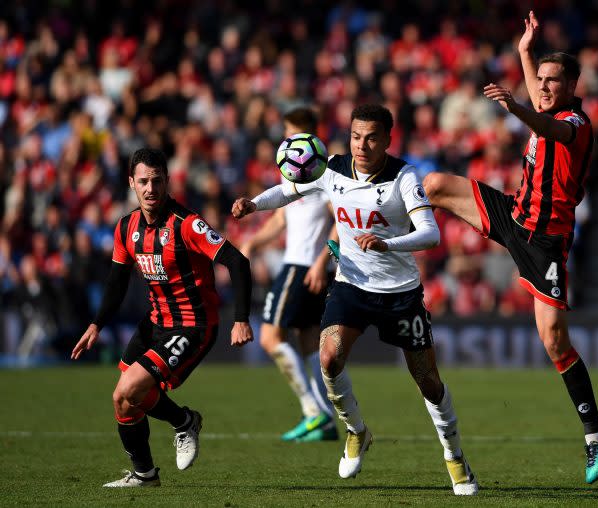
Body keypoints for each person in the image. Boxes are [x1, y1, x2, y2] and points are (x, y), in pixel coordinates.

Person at [232, 104, 479, 496]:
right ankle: (356, 431)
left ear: (387, 140)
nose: (362, 145)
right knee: (329, 357)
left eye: (372, 137)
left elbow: (430, 234)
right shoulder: (331, 168)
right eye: (355, 136)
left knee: (428, 381)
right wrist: (254, 203)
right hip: (351, 285)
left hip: (400, 294)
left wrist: (388, 243)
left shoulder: (404, 177)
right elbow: (289, 188)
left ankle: (455, 457)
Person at [422, 11, 598, 484]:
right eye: (541, 80)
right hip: (513, 215)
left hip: (545, 242)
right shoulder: (543, 104)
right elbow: (534, 102)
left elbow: (549, 129)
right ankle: (381, 245)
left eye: (553, 81)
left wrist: (516, 109)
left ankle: (595, 438)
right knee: (433, 184)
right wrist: (526, 49)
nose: (544, 86)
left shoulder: (575, 122)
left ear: (572, 85)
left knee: (553, 341)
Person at [72, 147, 254, 487]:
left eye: (157, 181)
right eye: (143, 181)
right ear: (131, 183)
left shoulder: (188, 224)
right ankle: (145, 473)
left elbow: (238, 263)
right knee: (123, 400)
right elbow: (116, 281)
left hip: (194, 325)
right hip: (155, 323)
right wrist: (96, 324)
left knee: (130, 387)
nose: (150, 189)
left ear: (167, 182)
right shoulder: (126, 227)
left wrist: (241, 318)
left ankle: (184, 422)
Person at [241, 107, 338, 442]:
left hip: (302, 267)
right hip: (306, 267)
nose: (286, 140)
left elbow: (341, 219)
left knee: (270, 338)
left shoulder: (324, 173)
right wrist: (253, 241)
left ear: (307, 136)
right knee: (309, 341)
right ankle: (323, 419)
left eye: (291, 133)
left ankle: (313, 411)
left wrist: (320, 261)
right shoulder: (295, 173)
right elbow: (282, 219)